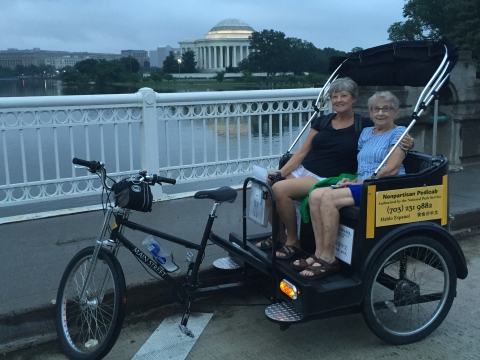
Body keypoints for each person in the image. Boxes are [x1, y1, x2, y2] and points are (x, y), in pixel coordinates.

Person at [255, 78, 413, 259]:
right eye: (334, 96)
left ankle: (293, 241)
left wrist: (409, 142)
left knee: (280, 189)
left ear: (353, 99)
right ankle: (278, 236)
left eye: (343, 95)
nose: (338, 100)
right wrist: (280, 173)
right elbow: (301, 153)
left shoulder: (363, 125)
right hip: (306, 169)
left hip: (325, 175)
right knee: (268, 186)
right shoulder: (324, 121)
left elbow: (388, 132)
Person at [292, 91, 407, 279]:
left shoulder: (400, 133)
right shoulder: (366, 133)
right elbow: (363, 165)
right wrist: (353, 181)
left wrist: (361, 183)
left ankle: (329, 259)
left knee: (328, 198)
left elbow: (391, 168)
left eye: (386, 109)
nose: (380, 113)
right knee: (315, 195)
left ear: (395, 111)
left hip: (383, 186)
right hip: (363, 184)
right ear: (370, 112)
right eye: (376, 109)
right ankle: (319, 253)